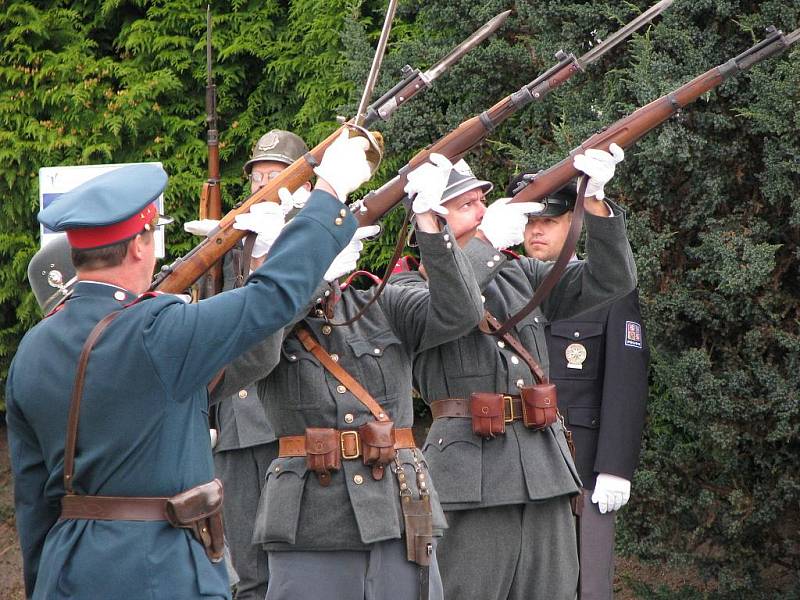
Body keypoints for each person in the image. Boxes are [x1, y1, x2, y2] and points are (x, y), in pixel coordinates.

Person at [5, 132, 372, 600]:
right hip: (161, 570)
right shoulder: (159, 329)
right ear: (141, 246)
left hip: (68, 569)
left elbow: (34, 502)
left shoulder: (31, 352)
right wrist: (329, 197)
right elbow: (272, 297)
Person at [212, 153, 484, 600]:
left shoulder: (384, 303)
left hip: (399, 510)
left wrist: (429, 225)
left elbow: (461, 312)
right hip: (310, 521)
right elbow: (248, 357)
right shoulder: (270, 314)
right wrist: (300, 278)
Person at [390, 145, 637, 600]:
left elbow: (612, 280)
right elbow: (454, 309)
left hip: (543, 471)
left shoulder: (517, 273)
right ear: (432, 219)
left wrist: (596, 205)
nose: (484, 209)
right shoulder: (402, 288)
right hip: (471, 480)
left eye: (483, 200)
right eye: (467, 204)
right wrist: (483, 247)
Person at [187, 129, 313, 600]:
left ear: (304, 184)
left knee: (296, 560)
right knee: (245, 566)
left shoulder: (314, 240)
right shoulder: (238, 237)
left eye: (275, 175)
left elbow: (285, 311)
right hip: (237, 427)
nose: (263, 184)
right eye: (259, 175)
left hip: (286, 419)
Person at [521, 182, 649, 600]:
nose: (536, 231)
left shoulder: (608, 290)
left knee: (586, 584)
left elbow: (626, 383)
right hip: (515, 465)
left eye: (548, 221)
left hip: (583, 465)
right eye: (529, 222)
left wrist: (615, 466)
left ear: (575, 226)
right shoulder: (504, 289)